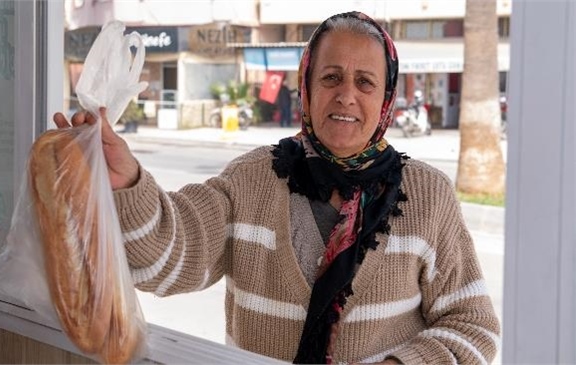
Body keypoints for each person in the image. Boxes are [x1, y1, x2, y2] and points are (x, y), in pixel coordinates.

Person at [53, 11, 500, 365]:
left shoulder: (428, 195)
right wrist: (127, 180)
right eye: (331, 77)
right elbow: (168, 258)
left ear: (385, 99)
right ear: (305, 86)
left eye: (365, 82)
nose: (346, 94)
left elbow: (473, 325)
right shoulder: (251, 180)